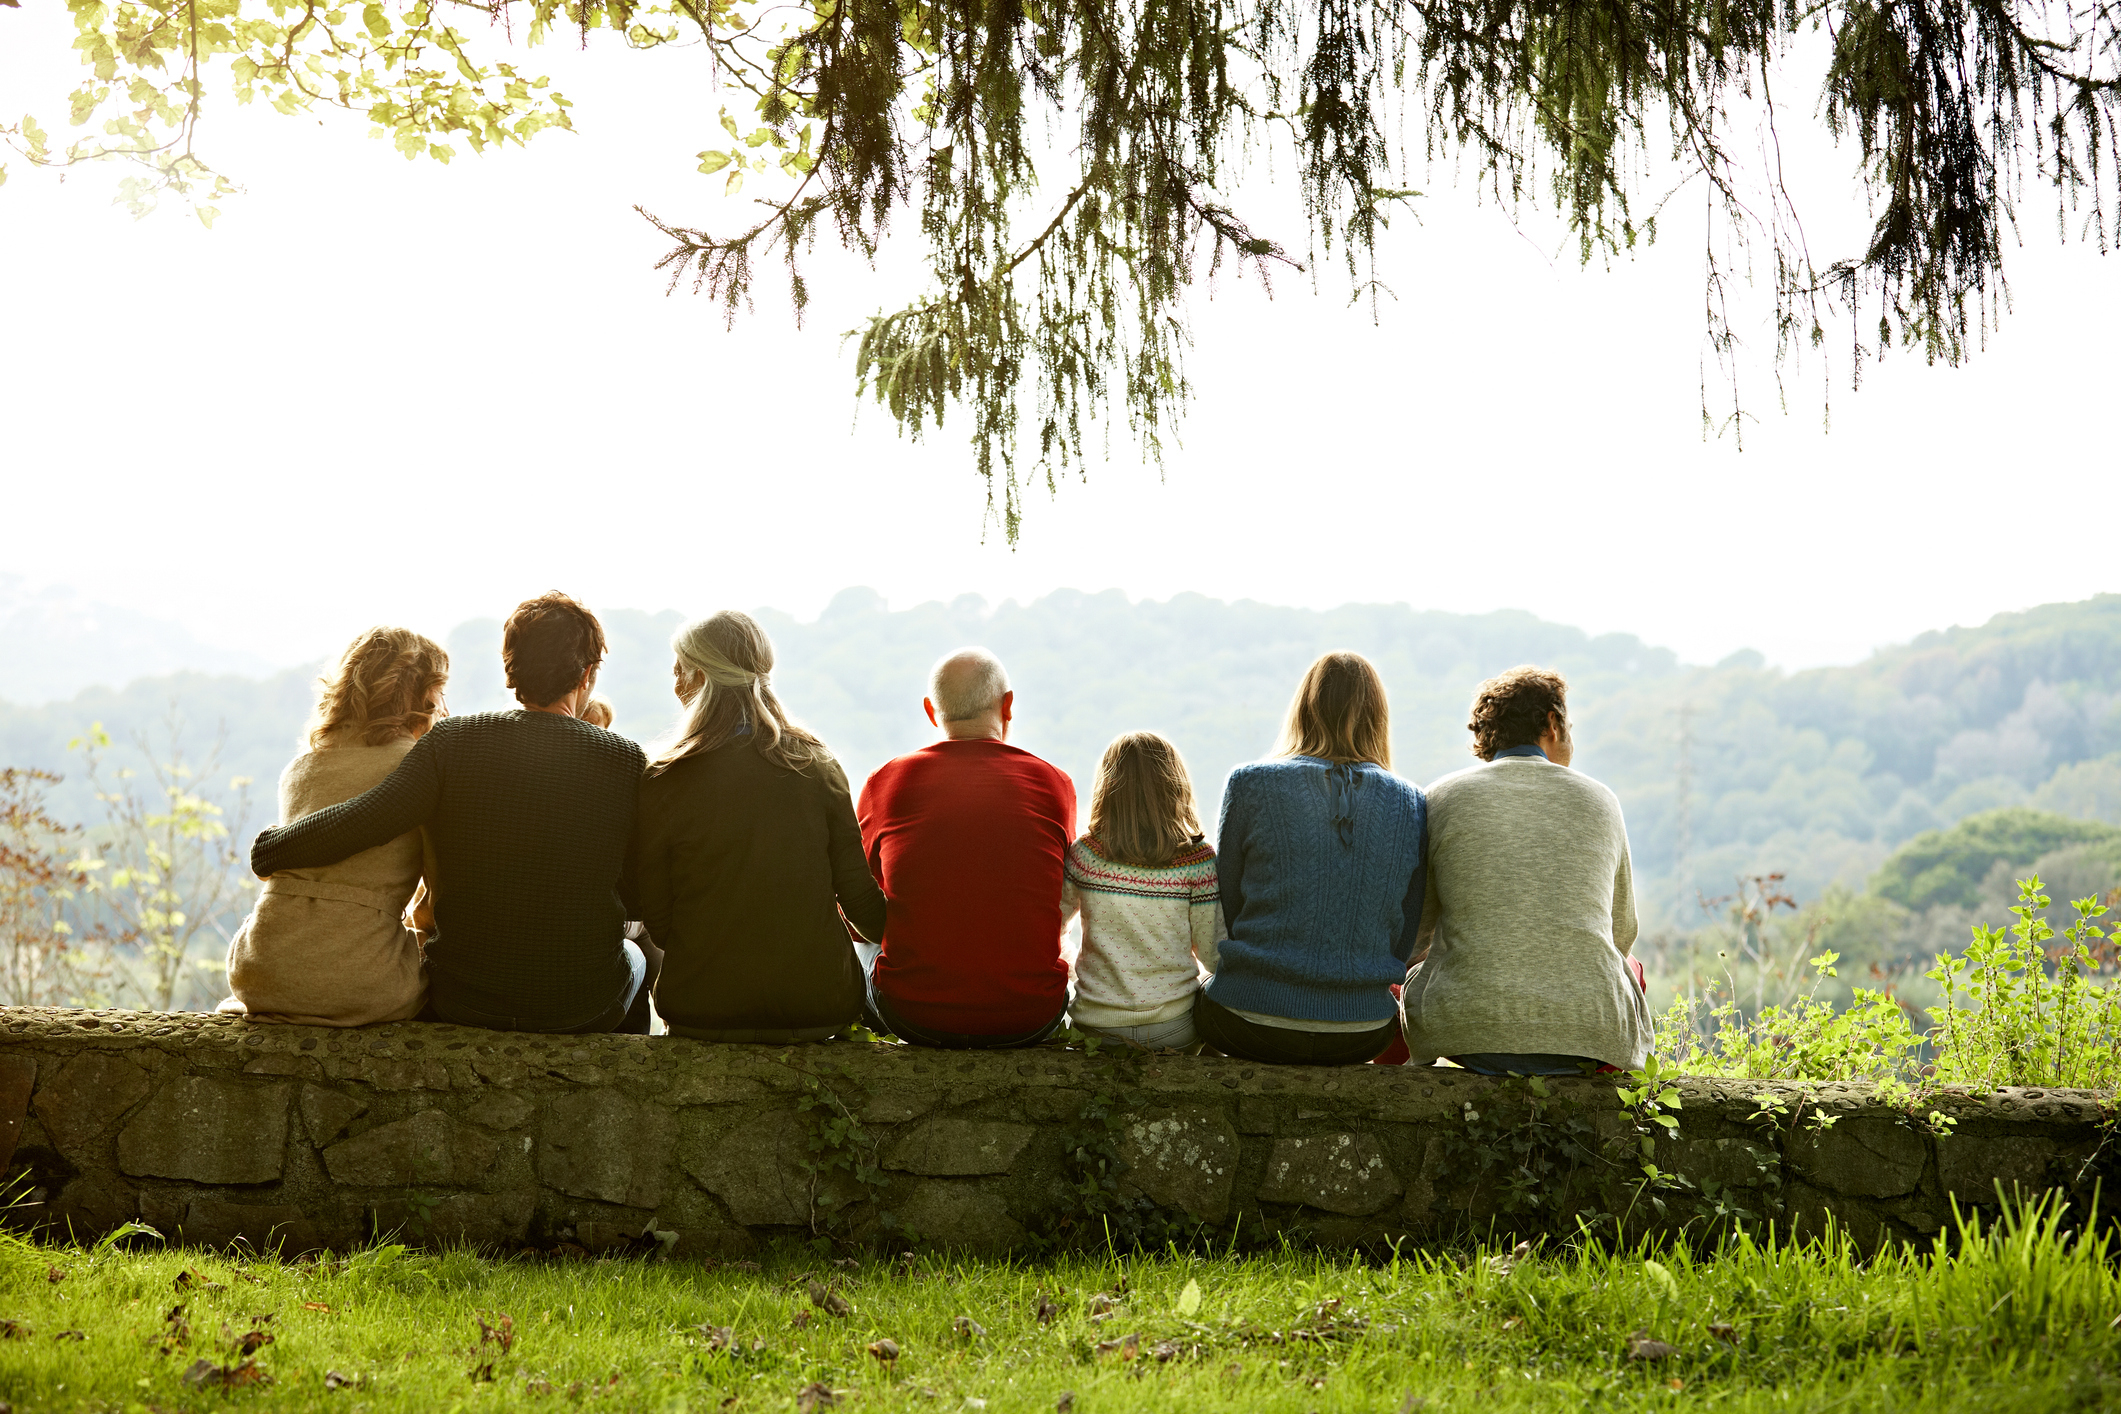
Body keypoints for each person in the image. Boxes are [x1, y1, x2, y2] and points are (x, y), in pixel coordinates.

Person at [249, 592, 653, 1034]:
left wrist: (271, 848)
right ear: (588, 674)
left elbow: (364, 820)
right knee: (634, 955)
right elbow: (638, 891)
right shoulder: (626, 760)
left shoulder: (452, 742)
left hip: (462, 999)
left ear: (509, 668)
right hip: (580, 1005)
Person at [625, 611, 886, 1043]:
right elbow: (859, 900)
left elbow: (661, 920)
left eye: (678, 671)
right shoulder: (817, 765)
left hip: (701, 1009)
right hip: (819, 1006)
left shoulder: (664, 779)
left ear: (699, 677)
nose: (674, 686)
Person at [1399, 666, 1652, 1074]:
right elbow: (1621, 933)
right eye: (1568, 723)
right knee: (1631, 966)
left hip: (1467, 1034)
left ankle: (1390, 1082)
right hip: (1590, 1038)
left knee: (1406, 974)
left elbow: (1416, 935)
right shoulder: (1602, 800)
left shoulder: (1441, 797)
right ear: (1551, 724)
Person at [1194, 652, 1426, 1064]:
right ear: (1378, 717)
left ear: (1303, 706)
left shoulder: (1250, 783)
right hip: (1365, 1030)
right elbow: (1405, 929)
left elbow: (1227, 902)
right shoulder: (1410, 801)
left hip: (1248, 1021)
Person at [217, 628, 446, 1027]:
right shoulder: (420, 768)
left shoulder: (299, 769)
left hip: (259, 969)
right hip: (362, 980)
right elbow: (437, 893)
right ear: (425, 695)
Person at [856, 648, 1076, 1048]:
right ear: (1007, 705)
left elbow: (856, 912)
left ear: (930, 711)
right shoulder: (1054, 783)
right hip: (1030, 1014)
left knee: (865, 942)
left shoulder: (885, 782)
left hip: (912, 1014)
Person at [1061, 732, 1223, 1051]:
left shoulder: (1086, 855)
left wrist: (1071, 970)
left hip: (1095, 1025)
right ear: (1175, 786)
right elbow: (1213, 954)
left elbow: (1051, 927)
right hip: (1174, 1027)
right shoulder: (1198, 860)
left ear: (1108, 789)